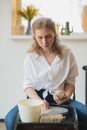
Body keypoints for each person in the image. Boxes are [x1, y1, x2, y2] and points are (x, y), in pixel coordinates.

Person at [5, 17, 87, 130]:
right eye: (40, 37)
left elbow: (70, 82)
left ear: (54, 34)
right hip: (35, 100)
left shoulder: (67, 54)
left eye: (48, 36)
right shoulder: (30, 57)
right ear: (34, 37)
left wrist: (66, 96)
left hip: (61, 100)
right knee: (10, 120)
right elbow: (28, 86)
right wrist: (39, 102)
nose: (44, 42)